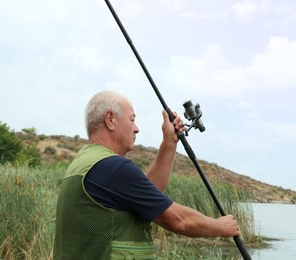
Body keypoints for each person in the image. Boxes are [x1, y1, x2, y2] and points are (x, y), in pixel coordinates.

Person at [53, 90, 240, 259]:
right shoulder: (113, 168)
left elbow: (147, 196)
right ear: (110, 119)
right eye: (132, 119)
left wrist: (169, 142)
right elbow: (178, 221)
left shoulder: (84, 163)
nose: (136, 128)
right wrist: (221, 227)